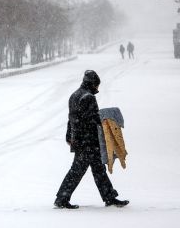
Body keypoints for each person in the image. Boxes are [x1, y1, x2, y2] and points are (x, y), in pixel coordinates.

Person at [54, 70, 129, 209]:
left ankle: (109, 197)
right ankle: (61, 198)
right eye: (97, 85)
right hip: (88, 141)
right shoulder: (88, 97)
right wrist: (105, 121)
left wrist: (69, 135)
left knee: (98, 170)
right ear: (93, 83)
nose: (97, 88)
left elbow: (71, 118)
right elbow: (92, 120)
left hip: (80, 139)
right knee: (77, 171)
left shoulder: (74, 95)